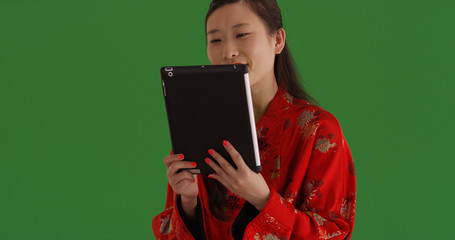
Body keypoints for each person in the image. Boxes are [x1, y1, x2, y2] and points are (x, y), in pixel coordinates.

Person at [152, 0, 356, 239]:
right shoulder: (197, 131)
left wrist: (262, 198)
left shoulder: (318, 130)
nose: (228, 51)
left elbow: (333, 233)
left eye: (242, 34)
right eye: (215, 40)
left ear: (278, 40)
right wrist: (187, 201)